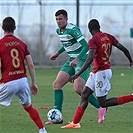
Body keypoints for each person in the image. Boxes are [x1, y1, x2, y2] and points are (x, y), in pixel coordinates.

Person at [61, 19, 133, 128]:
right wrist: (130, 60)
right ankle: (75, 123)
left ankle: (132, 97)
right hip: (98, 72)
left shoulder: (93, 40)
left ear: (90, 29)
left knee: (102, 103)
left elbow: (90, 58)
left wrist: (77, 74)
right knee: (85, 94)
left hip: (102, 73)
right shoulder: (109, 36)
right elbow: (124, 49)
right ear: (99, 27)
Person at [45, 9, 106, 125]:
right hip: (71, 60)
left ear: (66, 19)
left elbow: (85, 45)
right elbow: (67, 44)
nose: (58, 21)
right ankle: (57, 117)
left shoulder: (73, 29)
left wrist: (78, 58)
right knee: (57, 85)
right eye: (57, 19)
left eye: (61, 19)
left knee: (78, 88)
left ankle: (101, 107)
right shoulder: (59, 31)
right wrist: (58, 53)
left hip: (82, 59)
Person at [0, 17, 47, 133]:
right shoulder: (22, 44)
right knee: (28, 106)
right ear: (15, 28)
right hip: (22, 81)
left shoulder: (0, 44)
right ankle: (42, 129)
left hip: (9, 81)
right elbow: (30, 64)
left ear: (2, 28)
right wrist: (33, 83)